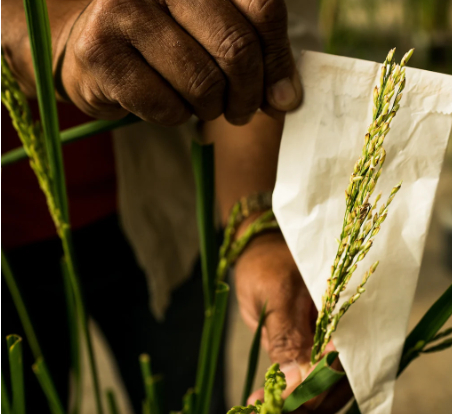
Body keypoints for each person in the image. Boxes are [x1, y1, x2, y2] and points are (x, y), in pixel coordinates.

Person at [1, 0, 350, 412]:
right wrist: (46, 38)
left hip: (164, 218)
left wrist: (257, 228)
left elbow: (265, 43)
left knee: (185, 392)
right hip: (10, 243)